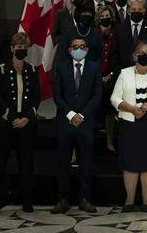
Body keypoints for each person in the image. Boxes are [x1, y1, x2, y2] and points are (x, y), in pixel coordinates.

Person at [111, 41, 147, 210]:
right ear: (135, 55)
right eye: (141, 52)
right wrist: (131, 108)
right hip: (129, 122)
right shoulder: (124, 73)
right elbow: (115, 98)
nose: (144, 55)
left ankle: (146, 199)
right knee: (130, 162)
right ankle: (129, 200)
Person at [0, 32, 39, 213]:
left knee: (26, 163)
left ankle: (27, 201)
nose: (21, 51)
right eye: (18, 48)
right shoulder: (1, 69)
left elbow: (36, 98)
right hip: (5, 124)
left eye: (24, 48)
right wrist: (12, 117)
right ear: (11, 49)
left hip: (26, 124)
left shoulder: (32, 70)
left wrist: (26, 118)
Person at [52, 35, 103, 213]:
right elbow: (57, 95)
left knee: (86, 162)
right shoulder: (61, 67)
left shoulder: (95, 68)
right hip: (66, 122)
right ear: (69, 50)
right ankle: (63, 199)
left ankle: (85, 198)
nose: (78, 49)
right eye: (75, 47)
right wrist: (71, 114)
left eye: (82, 46)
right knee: (63, 162)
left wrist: (81, 114)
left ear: (87, 50)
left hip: (86, 121)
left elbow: (97, 95)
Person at [95, 4, 120, 150]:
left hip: (112, 78)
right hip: (96, 78)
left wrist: (111, 75)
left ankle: (109, 141)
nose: (105, 18)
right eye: (102, 16)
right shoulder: (93, 34)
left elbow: (118, 56)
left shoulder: (117, 33)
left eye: (107, 16)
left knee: (111, 111)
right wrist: (99, 77)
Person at [117, 0, 147, 70]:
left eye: (139, 9)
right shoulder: (119, 28)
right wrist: (119, 73)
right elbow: (114, 55)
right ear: (128, 11)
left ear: (144, 11)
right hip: (124, 73)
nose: (136, 12)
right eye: (134, 9)